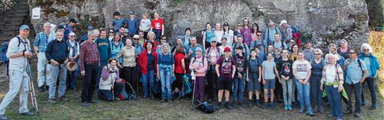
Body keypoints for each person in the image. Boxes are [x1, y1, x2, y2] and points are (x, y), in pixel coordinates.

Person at [0, 25, 34, 120]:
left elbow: (26, 54)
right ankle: (1, 111)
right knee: (14, 90)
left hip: (24, 69)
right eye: (24, 31)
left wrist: (28, 55)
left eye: (27, 31)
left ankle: (23, 109)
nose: (26, 33)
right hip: (15, 69)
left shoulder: (27, 41)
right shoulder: (15, 40)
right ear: (19, 31)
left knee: (25, 89)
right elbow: (9, 55)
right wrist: (23, 54)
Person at [45, 31, 69, 104]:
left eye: (61, 35)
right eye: (58, 35)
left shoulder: (65, 42)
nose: (59, 36)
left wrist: (67, 59)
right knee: (53, 81)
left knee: (63, 81)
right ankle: (51, 97)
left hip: (63, 64)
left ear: (63, 35)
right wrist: (52, 61)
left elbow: (67, 52)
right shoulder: (52, 43)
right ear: (56, 35)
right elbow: (47, 53)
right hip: (55, 64)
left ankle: (61, 95)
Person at [343, 49, 368, 117]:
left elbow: (366, 72)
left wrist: (361, 81)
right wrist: (345, 65)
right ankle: (349, 109)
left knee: (358, 97)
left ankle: (357, 111)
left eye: (352, 53)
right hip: (348, 81)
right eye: (349, 53)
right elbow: (344, 69)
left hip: (357, 82)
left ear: (356, 54)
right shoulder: (347, 61)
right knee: (347, 96)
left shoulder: (360, 62)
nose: (350, 54)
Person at [79, 31, 100, 107]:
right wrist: (82, 69)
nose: (93, 38)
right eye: (92, 36)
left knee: (94, 82)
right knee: (87, 83)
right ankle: (83, 100)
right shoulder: (84, 45)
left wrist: (99, 63)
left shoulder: (95, 44)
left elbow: (97, 54)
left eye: (94, 36)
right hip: (88, 66)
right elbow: (81, 59)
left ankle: (89, 98)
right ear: (88, 36)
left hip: (96, 65)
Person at [320, 54, 344, 120]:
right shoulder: (326, 66)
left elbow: (341, 76)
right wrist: (321, 84)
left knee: (337, 100)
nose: (330, 59)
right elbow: (323, 76)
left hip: (335, 86)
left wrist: (340, 85)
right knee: (330, 100)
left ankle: (339, 115)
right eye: (329, 58)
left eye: (331, 58)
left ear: (335, 59)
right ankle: (333, 113)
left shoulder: (337, 66)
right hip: (327, 86)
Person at [359, 43, 380, 110]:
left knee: (372, 90)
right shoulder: (360, 57)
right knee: (361, 90)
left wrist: (374, 74)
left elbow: (377, 66)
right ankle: (362, 101)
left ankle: (374, 104)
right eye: (364, 50)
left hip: (370, 76)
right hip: (362, 76)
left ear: (370, 50)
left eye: (368, 49)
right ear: (362, 50)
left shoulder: (373, 57)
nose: (366, 51)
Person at [33, 22, 53, 92]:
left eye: (49, 27)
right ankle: (40, 85)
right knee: (40, 70)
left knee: (49, 70)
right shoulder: (40, 35)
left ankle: (48, 84)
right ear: (44, 28)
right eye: (46, 27)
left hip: (50, 54)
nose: (48, 28)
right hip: (41, 53)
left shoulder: (52, 35)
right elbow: (35, 45)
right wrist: (37, 54)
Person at [310, 49, 326, 113]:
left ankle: (322, 106)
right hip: (313, 78)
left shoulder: (323, 61)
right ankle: (315, 105)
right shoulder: (312, 61)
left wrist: (323, 80)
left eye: (318, 54)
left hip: (321, 78)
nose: (317, 55)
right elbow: (310, 70)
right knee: (314, 92)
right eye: (316, 54)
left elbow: (325, 71)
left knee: (321, 92)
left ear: (321, 54)